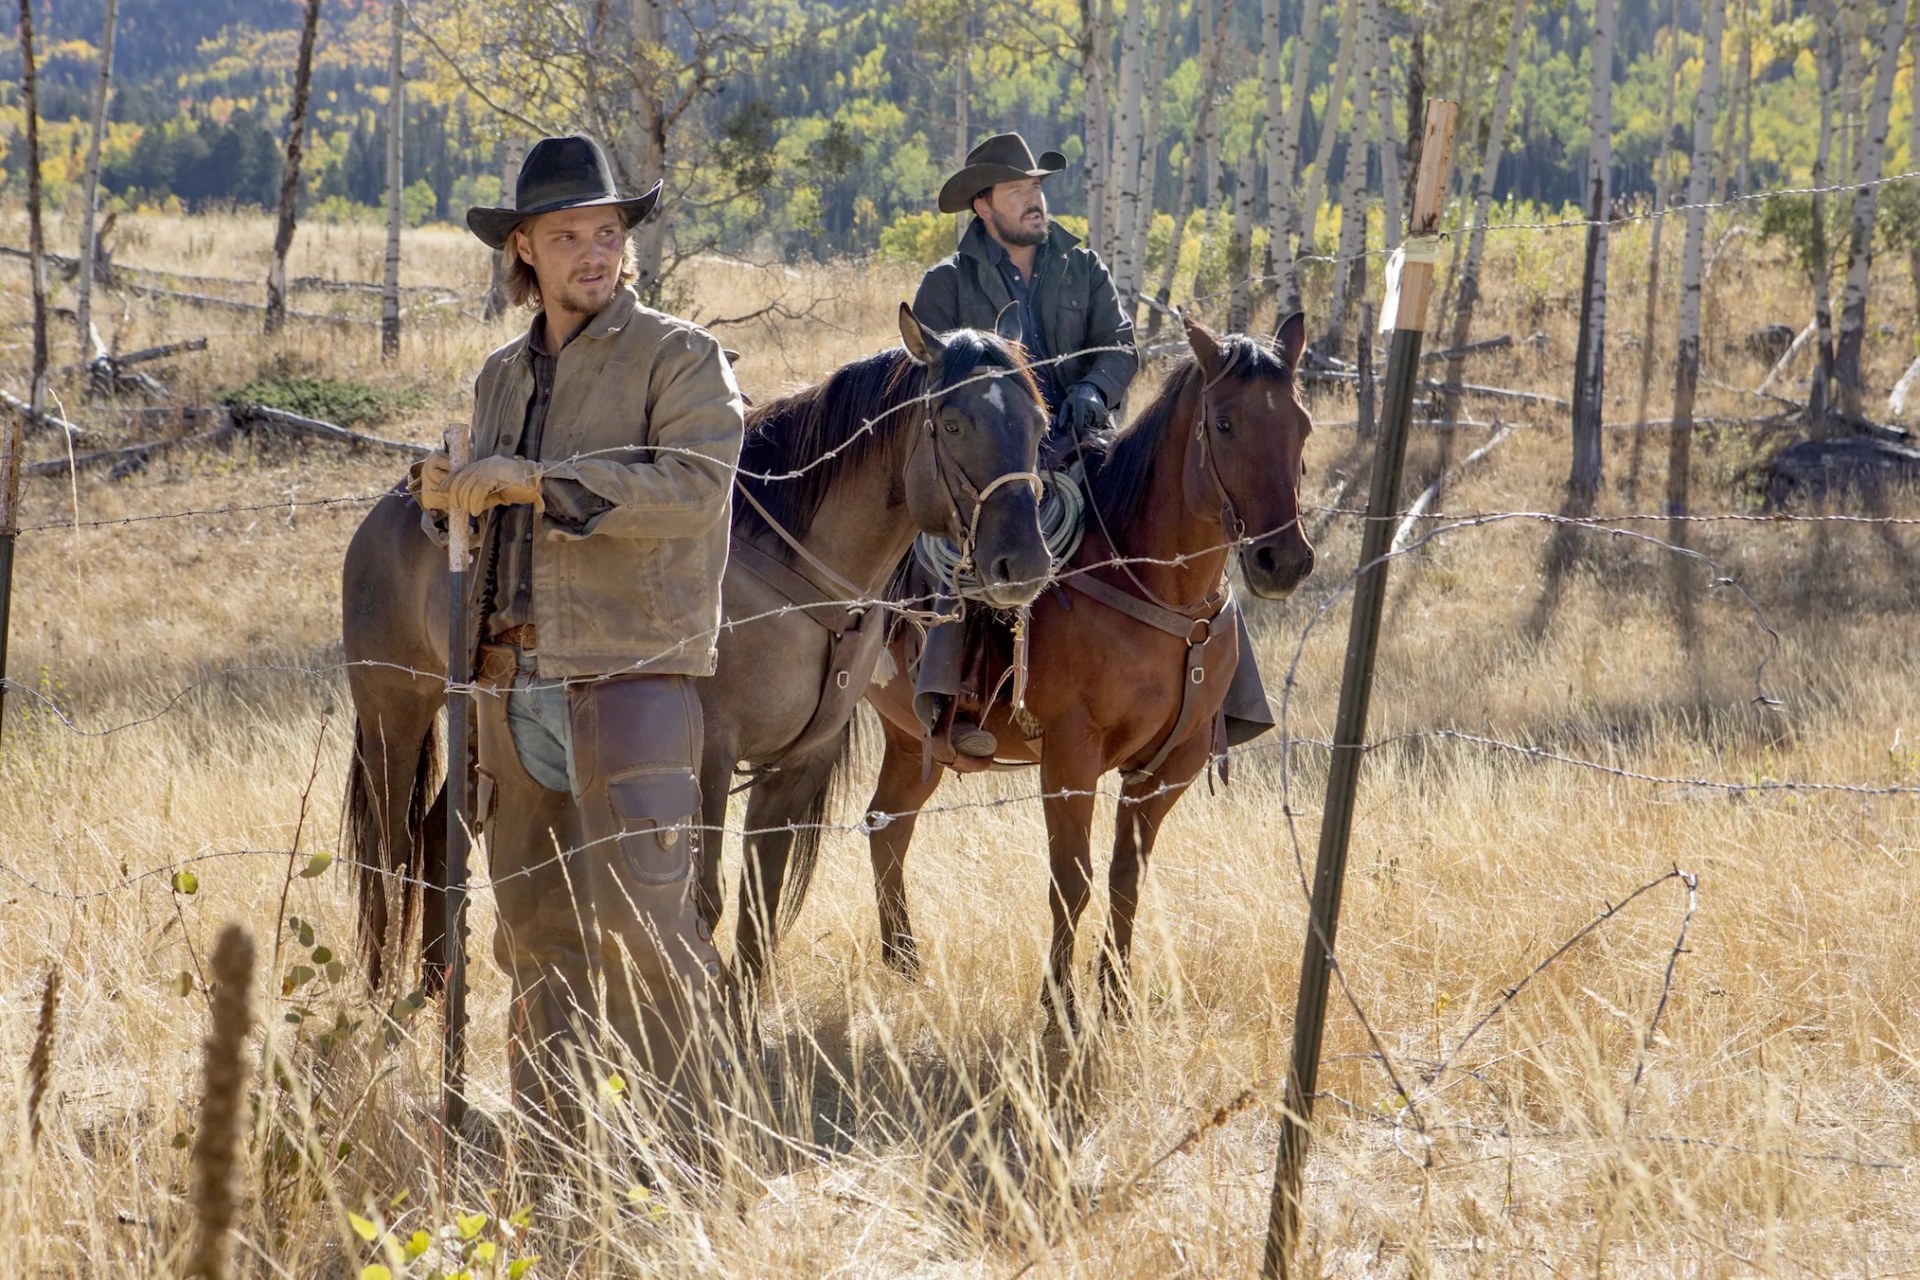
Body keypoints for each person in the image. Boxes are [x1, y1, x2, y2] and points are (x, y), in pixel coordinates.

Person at [411, 134, 743, 1138]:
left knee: (650, 929)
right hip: (511, 681)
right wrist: (445, 498)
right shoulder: (501, 375)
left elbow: (696, 489)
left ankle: (685, 1161)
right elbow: (478, 514)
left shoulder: (680, 354)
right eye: (569, 236)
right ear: (525, 249)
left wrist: (537, 483)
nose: (596, 253)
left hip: (630, 677)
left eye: (609, 233)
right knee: (534, 934)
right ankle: (556, 1160)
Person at [909, 133, 1273, 760]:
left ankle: (1221, 699)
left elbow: (1120, 345)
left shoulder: (1080, 263)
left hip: (1084, 438)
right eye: (1018, 192)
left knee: (1182, 523)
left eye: (1036, 190)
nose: (1034, 203)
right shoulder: (945, 285)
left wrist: (1096, 392)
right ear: (983, 207)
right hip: (993, 455)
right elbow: (935, 387)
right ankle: (960, 694)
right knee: (964, 547)